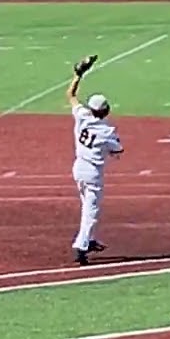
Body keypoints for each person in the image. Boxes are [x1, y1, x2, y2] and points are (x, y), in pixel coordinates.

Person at [66, 55, 123, 265]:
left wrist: (77, 75)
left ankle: (88, 240)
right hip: (92, 173)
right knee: (91, 211)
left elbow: (70, 95)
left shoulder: (82, 116)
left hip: (78, 167)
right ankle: (81, 247)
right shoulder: (107, 130)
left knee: (86, 205)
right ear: (105, 110)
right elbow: (118, 150)